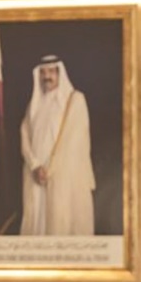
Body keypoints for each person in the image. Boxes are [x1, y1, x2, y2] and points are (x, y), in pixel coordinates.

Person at [19, 54, 96, 236]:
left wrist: (50, 170)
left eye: (52, 71)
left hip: (64, 176)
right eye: (43, 72)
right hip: (36, 174)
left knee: (61, 222)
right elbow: (24, 136)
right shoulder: (34, 105)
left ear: (60, 73)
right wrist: (35, 166)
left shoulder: (75, 101)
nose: (47, 76)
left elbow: (74, 142)